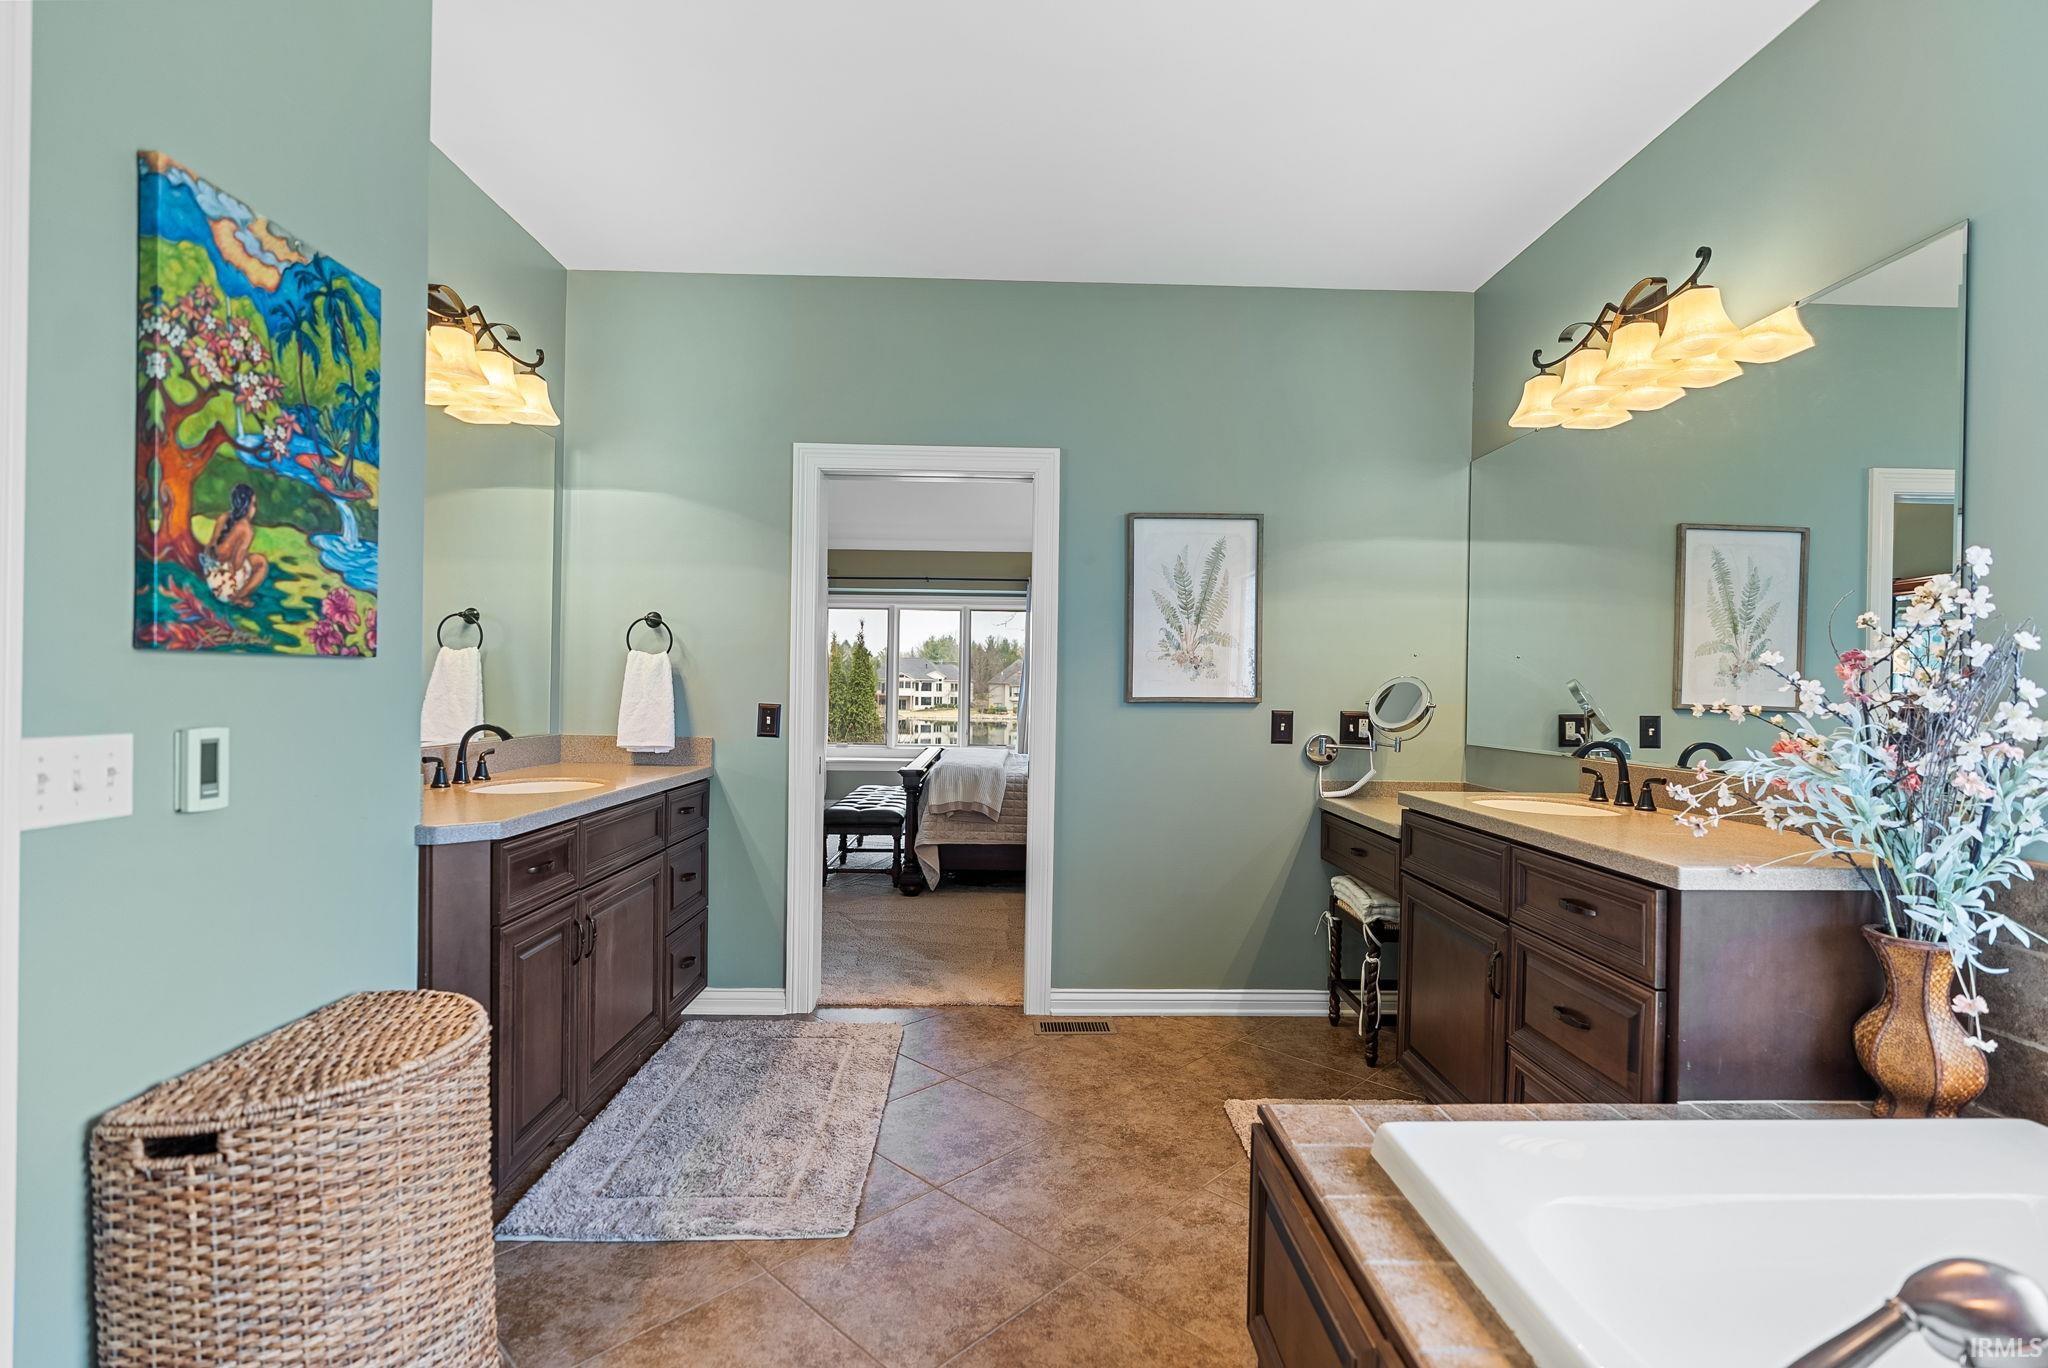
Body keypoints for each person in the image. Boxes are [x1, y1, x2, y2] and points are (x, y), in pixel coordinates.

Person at [200, 482, 269, 606]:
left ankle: (235, 594)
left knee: (252, 559)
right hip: (224, 589)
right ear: (247, 506)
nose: (255, 509)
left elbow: (210, 547)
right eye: (253, 504)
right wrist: (246, 561)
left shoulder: (223, 517)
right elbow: (237, 565)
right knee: (261, 563)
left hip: (210, 577)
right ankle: (239, 597)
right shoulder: (246, 529)